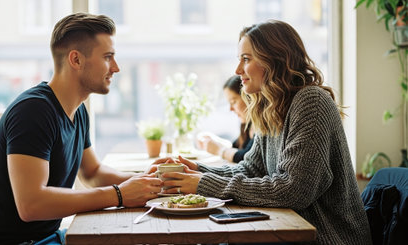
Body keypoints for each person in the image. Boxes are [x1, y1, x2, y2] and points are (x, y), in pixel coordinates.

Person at [153, 20, 372, 244]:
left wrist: (203, 183)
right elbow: (252, 169)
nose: (237, 70)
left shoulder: (310, 102)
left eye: (246, 59)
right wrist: (198, 170)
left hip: (329, 238)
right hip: (288, 232)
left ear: (275, 60)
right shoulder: (271, 107)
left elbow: (293, 191)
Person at [0, 13, 162, 244]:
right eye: (108, 57)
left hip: (49, 238)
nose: (116, 68)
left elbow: (93, 173)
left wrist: (150, 181)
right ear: (76, 60)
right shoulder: (33, 111)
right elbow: (31, 205)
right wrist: (119, 195)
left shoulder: (78, 110)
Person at [196, 75, 254, 163]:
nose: (230, 109)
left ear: (249, 98)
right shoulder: (246, 126)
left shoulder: (262, 128)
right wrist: (216, 141)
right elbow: (235, 148)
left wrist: (220, 150)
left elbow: (247, 157)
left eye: (233, 102)